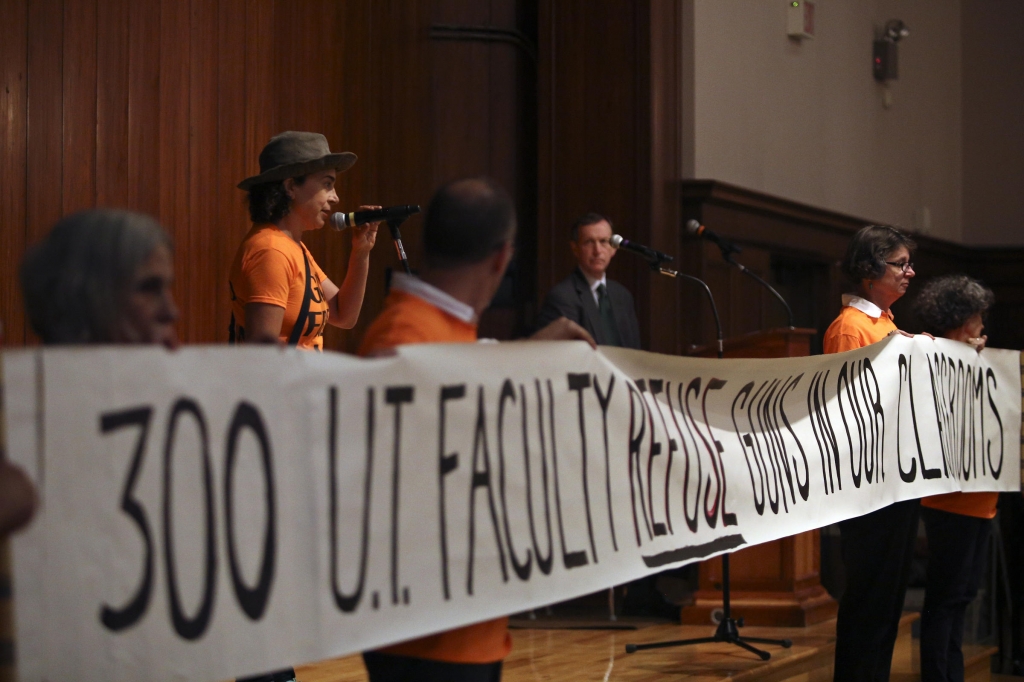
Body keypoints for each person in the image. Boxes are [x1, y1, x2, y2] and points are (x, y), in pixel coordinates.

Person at [358, 177, 594, 682]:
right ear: (501, 258)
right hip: (427, 639)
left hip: (466, 625)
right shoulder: (406, 337)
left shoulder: (442, 330)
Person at [824, 224, 923, 682]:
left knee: (888, 603)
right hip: (869, 487)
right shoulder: (850, 328)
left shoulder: (885, 323)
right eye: (899, 263)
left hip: (898, 480)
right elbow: (848, 410)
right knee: (868, 602)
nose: (909, 272)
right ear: (869, 270)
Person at [915, 275, 996, 682]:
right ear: (962, 320)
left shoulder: (977, 360)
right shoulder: (932, 362)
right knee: (946, 599)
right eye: (978, 317)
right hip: (952, 501)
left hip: (982, 501)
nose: (983, 326)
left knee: (961, 597)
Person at [230, 131, 380, 349]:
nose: (335, 197)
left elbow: (343, 314)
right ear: (290, 187)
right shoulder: (271, 251)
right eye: (327, 184)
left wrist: (361, 251)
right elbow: (262, 358)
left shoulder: (291, 246)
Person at [536, 213, 641, 349]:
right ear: (575, 248)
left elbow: (634, 351)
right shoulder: (562, 297)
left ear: (613, 248)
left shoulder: (622, 295)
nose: (597, 251)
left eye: (603, 241)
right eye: (589, 242)